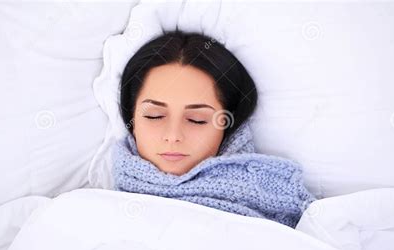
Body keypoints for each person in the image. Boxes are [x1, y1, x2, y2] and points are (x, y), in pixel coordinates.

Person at [112, 30, 315, 228]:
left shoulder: (293, 212)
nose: (173, 136)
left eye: (196, 119)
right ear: (133, 119)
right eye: (154, 116)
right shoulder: (96, 209)